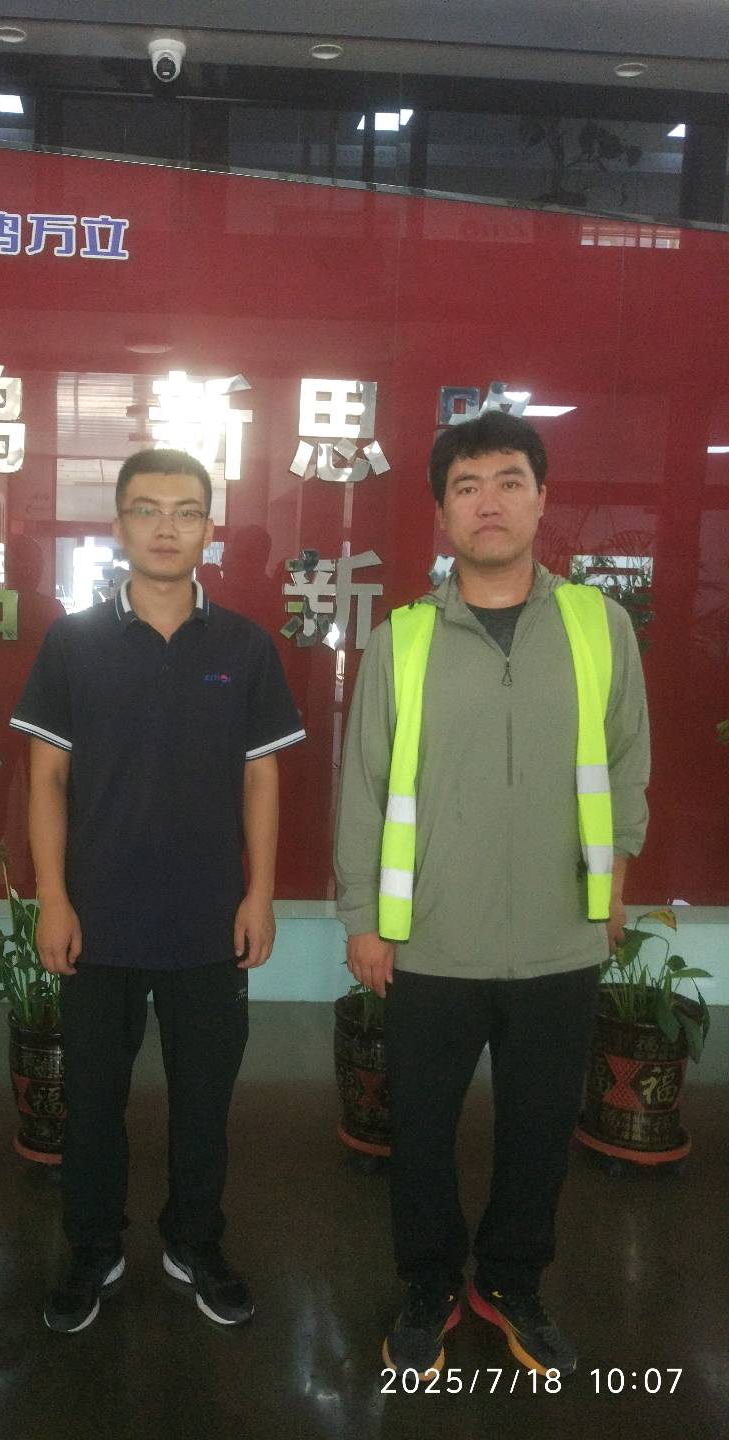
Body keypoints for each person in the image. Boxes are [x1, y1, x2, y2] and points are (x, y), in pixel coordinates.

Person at [335, 412, 649, 1379]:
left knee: (540, 1132)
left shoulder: (599, 627)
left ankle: (511, 1283)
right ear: (441, 513)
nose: (490, 503)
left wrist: (614, 885)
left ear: (542, 499)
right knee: (421, 1133)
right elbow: (364, 785)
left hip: (560, 936)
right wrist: (363, 921)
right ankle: (429, 1285)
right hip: (432, 939)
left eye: (510, 481)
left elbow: (626, 765)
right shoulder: (403, 640)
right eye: (467, 487)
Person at [11, 447, 305, 1333]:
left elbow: (260, 779)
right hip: (96, 917)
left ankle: (195, 1242)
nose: (166, 527)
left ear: (209, 528)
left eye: (185, 511)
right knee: (92, 1101)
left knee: (204, 1101)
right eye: (146, 509)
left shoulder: (245, 646)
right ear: (118, 526)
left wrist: (259, 894)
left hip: (208, 917)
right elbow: (45, 780)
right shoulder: (74, 642)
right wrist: (54, 898)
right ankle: (92, 1247)